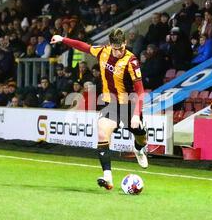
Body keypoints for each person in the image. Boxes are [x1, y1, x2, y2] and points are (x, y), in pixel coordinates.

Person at [51, 28, 148, 190]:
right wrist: (63, 39)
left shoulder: (132, 61)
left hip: (130, 105)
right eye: (115, 49)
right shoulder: (103, 51)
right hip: (111, 104)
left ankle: (138, 150)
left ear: (125, 43)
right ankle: (108, 178)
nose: (118, 52)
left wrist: (136, 114)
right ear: (111, 45)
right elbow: (84, 46)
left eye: (121, 48)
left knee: (141, 137)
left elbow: (140, 91)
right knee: (102, 132)